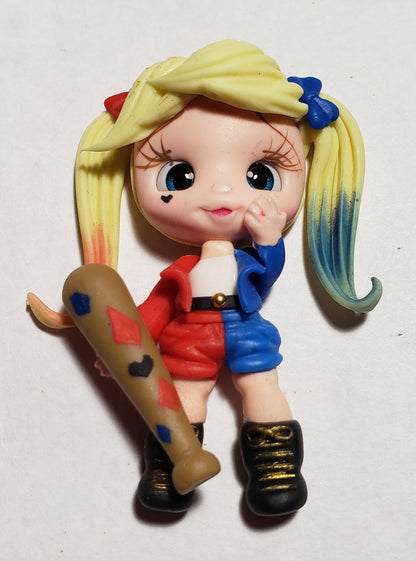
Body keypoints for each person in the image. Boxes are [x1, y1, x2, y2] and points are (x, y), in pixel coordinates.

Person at [28, 40, 382, 516]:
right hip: (189, 335)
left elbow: (265, 277)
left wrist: (270, 240)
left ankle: (277, 470)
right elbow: (153, 311)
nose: (220, 192)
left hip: (245, 328)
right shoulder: (179, 273)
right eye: (178, 176)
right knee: (183, 397)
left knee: (263, 388)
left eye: (260, 175)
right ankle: (169, 468)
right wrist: (118, 349)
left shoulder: (246, 259)